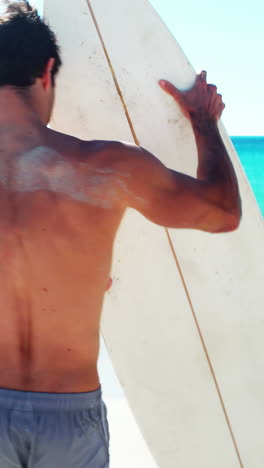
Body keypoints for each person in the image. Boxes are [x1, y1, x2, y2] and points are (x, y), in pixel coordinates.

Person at [0, 1, 241, 467]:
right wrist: (204, 124)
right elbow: (221, 213)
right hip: (68, 417)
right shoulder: (110, 167)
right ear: (48, 71)